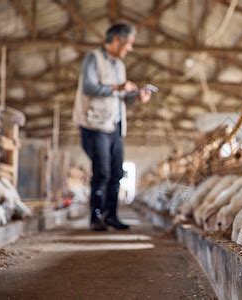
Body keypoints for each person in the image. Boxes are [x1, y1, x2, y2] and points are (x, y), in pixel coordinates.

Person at [73, 23, 151, 231]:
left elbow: (120, 98)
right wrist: (118, 86)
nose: (130, 48)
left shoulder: (120, 66)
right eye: (129, 44)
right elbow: (89, 87)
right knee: (102, 172)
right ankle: (96, 216)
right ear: (117, 40)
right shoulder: (93, 58)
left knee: (116, 173)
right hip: (95, 124)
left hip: (116, 125)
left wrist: (136, 98)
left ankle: (111, 215)